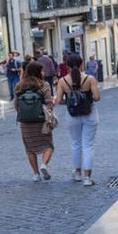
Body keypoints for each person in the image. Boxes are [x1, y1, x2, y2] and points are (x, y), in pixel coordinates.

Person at [56, 52, 101, 187]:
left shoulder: (62, 81)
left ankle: (77, 173)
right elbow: (97, 97)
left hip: (72, 115)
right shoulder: (90, 79)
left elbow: (58, 100)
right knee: (88, 145)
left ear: (67, 66)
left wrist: (71, 100)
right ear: (82, 64)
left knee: (76, 143)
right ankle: (87, 178)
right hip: (90, 114)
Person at [15, 60, 55, 181]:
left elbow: (16, 104)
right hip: (41, 120)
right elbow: (49, 103)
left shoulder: (19, 86)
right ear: (38, 72)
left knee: (30, 148)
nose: (43, 72)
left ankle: (36, 174)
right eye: (42, 70)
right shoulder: (44, 85)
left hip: (25, 122)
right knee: (48, 145)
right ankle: (44, 165)